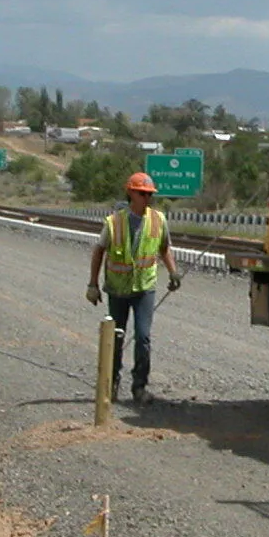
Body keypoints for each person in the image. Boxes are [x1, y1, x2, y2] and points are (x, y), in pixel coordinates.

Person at [87, 171, 181, 404]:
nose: (147, 198)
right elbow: (99, 250)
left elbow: (164, 247)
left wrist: (173, 272)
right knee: (116, 338)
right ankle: (111, 384)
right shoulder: (114, 222)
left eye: (150, 194)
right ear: (130, 192)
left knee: (143, 337)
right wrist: (92, 284)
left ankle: (139, 386)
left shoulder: (158, 220)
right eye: (142, 193)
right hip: (118, 289)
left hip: (144, 288)